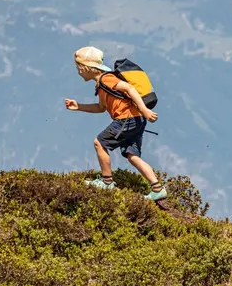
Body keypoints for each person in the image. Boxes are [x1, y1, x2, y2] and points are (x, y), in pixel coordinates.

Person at [64, 46, 167, 202]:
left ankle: (107, 182)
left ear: (89, 68)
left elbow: (130, 89)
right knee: (132, 156)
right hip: (136, 119)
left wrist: (145, 110)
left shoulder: (107, 79)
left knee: (99, 143)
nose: (79, 72)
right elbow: (100, 108)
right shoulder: (101, 84)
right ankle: (158, 189)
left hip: (127, 119)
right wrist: (78, 106)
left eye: (79, 68)